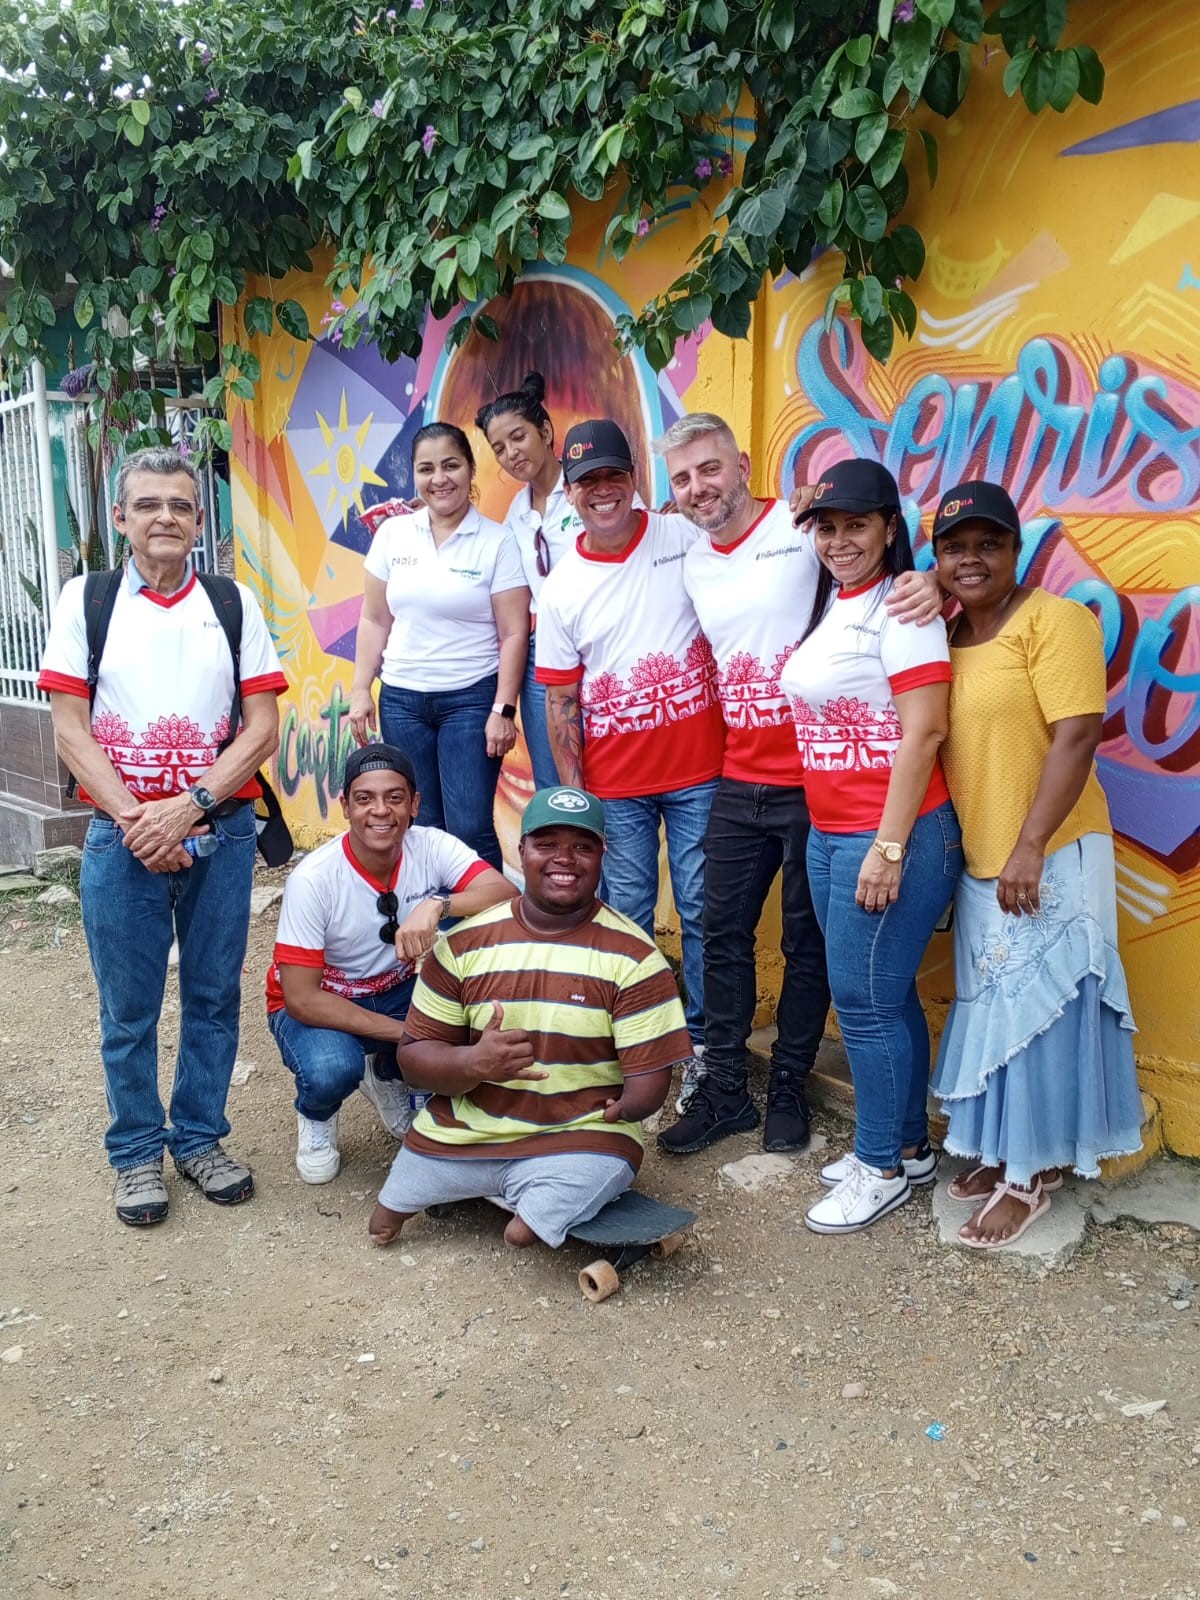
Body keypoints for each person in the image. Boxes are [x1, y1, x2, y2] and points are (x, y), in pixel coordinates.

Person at [654, 415, 945, 1156]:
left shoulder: (801, 526)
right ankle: (725, 1088)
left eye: (710, 469)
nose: (698, 488)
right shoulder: (687, 551)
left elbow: (874, 564)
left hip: (813, 785)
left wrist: (932, 579)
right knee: (717, 932)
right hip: (737, 776)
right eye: (682, 477)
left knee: (807, 943)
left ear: (743, 464)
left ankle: (788, 1082)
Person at [37, 445, 287, 1227]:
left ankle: (201, 1138)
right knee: (129, 1008)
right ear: (120, 517)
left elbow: (263, 727)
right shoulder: (87, 601)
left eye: (180, 504)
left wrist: (188, 806)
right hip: (122, 841)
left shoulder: (232, 603)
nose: (165, 517)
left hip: (222, 834)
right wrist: (141, 821)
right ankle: (138, 1151)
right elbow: (70, 731)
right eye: (148, 504)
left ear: (199, 519)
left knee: (214, 996)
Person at [928, 481, 1143, 1248]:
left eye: (989, 544)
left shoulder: (1056, 621)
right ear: (937, 559)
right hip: (982, 854)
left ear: (1017, 551)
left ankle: (1028, 1179)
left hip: (1051, 851)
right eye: (955, 547)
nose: (972, 559)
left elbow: (1077, 736)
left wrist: (1031, 844)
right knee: (1000, 1010)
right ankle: (1011, 1152)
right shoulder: (945, 635)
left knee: (1042, 1014)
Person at [368, 785, 693, 1249]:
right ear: (521, 851)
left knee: (531, 1227)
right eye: (547, 844)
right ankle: (515, 1189)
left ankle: (525, 1197)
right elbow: (414, 1060)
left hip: (577, 1138)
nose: (565, 858)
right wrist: (474, 1063)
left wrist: (624, 1112)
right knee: (382, 1224)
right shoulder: (462, 945)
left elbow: (649, 1086)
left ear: (603, 855)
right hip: (466, 1133)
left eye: (582, 847)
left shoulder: (635, 958)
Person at [776, 459, 962, 1235]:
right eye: (826, 527)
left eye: (857, 525)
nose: (839, 540)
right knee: (885, 996)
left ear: (891, 527)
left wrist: (888, 848)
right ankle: (909, 1146)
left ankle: (879, 1166)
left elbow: (926, 731)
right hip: (832, 831)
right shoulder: (838, 601)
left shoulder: (905, 608)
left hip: (889, 833)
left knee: (864, 1004)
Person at [533, 419, 724, 1093]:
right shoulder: (562, 587)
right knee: (627, 915)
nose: (602, 491)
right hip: (616, 788)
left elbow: (749, 539)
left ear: (635, 478)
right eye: (587, 481)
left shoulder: (684, 535)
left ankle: (701, 1043)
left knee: (703, 910)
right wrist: (576, 800)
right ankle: (639, 1039)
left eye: (613, 475)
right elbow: (561, 700)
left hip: (702, 772)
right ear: (570, 494)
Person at [266, 744, 516, 1184]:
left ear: (414, 804)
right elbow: (302, 999)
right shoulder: (314, 879)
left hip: (396, 989)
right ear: (345, 806)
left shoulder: (430, 845)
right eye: (364, 798)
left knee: (474, 1023)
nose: (380, 811)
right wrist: (411, 1036)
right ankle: (316, 1115)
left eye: (394, 797)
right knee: (331, 1070)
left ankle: (387, 1073)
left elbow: (504, 894)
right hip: (323, 1002)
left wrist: (439, 904)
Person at [349, 421, 530, 869]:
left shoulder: (497, 542)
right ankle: (429, 911)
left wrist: (503, 710)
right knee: (420, 824)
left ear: (470, 469)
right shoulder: (394, 535)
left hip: (471, 701)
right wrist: (360, 691)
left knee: (469, 827)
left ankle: (481, 913)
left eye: (451, 465)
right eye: (426, 469)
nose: (439, 478)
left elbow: (514, 633)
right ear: (414, 475)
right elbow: (374, 618)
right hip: (402, 702)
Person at [476, 371, 583, 792]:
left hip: (602, 642)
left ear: (546, 432)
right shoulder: (516, 516)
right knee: (554, 779)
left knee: (608, 771)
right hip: (544, 652)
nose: (511, 453)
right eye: (499, 448)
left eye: (518, 437)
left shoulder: (589, 488)